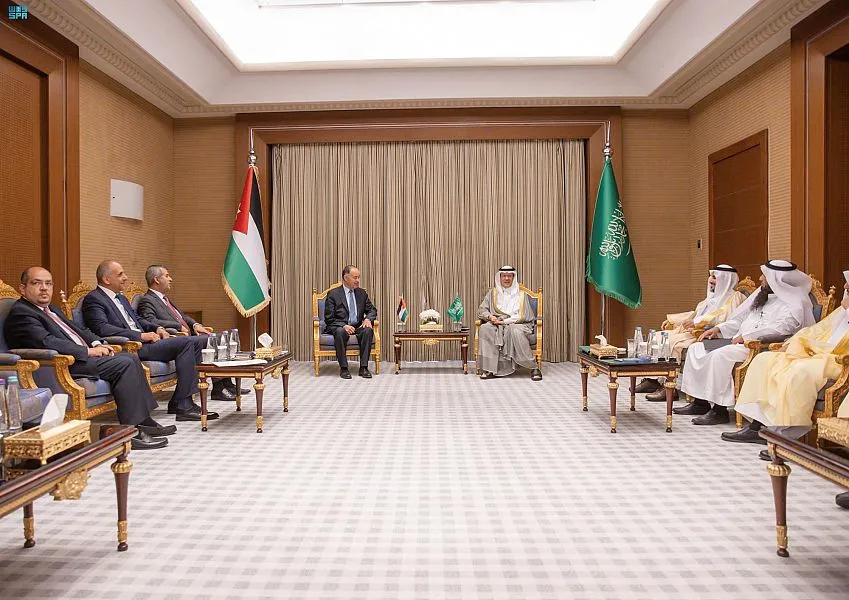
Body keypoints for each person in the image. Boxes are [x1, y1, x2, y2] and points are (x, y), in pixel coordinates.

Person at [4, 267, 172, 450]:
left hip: (80, 358)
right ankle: (131, 432)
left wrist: (97, 343)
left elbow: (79, 330)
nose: (44, 288)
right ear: (23, 288)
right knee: (124, 363)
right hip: (62, 364)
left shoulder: (50, 309)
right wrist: (87, 351)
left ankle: (143, 421)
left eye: (48, 283)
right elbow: (46, 341)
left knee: (129, 358)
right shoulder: (22, 312)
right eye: (36, 283)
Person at [675, 260, 814, 425]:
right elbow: (740, 319)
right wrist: (718, 328)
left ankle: (719, 411)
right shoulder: (763, 296)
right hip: (735, 342)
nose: (760, 279)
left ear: (777, 279)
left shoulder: (794, 303)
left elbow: (782, 329)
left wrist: (747, 336)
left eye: (764, 276)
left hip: (756, 347)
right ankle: (700, 403)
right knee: (696, 348)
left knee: (719, 356)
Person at [81, 260, 218, 422]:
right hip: (130, 346)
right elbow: (102, 329)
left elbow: (137, 320)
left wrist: (156, 328)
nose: (125, 277)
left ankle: (181, 401)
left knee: (193, 342)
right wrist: (140, 336)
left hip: (146, 342)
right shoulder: (94, 299)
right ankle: (183, 405)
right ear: (106, 279)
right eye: (120, 274)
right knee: (186, 342)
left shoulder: (121, 298)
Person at [727, 280, 849, 445]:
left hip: (838, 360)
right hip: (818, 353)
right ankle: (758, 426)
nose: (845, 287)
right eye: (846, 283)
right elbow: (817, 329)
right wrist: (792, 343)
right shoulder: (842, 310)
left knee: (799, 371)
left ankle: (785, 436)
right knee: (763, 359)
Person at [136, 264, 246, 400]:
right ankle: (218, 389)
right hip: (175, 339)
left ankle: (227, 383)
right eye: (167, 276)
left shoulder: (165, 299)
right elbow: (150, 321)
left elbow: (182, 316)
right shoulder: (147, 300)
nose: (170, 279)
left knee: (222, 337)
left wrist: (195, 324)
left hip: (189, 335)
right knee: (212, 340)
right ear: (156, 280)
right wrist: (177, 326)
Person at [639, 265, 745, 401]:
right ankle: (654, 379)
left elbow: (726, 319)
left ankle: (669, 386)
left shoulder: (735, 298)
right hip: (694, 332)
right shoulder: (711, 298)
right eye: (711, 277)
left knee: (672, 342)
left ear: (726, 280)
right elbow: (695, 314)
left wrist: (697, 323)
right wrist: (674, 320)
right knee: (658, 336)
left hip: (710, 335)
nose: (711, 280)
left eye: (715, 277)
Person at [476, 265, 542, 381]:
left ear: (513, 277)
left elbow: (524, 316)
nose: (506, 278)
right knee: (485, 329)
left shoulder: (521, 295)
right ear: (500, 277)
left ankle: (533, 367)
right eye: (504, 276)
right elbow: (482, 310)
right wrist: (490, 317)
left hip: (518, 323)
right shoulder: (492, 294)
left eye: (509, 276)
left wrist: (504, 322)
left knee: (513, 331)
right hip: (496, 323)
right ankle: (490, 369)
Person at [323, 264, 377, 379]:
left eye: (359, 277)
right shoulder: (333, 294)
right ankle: (344, 368)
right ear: (346, 277)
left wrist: (368, 319)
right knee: (339, 332)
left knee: (368, 330)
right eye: (355, 277)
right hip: (339, 326)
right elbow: (329, 318)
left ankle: (364, 367)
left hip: (357, 326)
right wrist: (344, 326)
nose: (358, 280)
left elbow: (372, 310)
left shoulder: (361, 293)